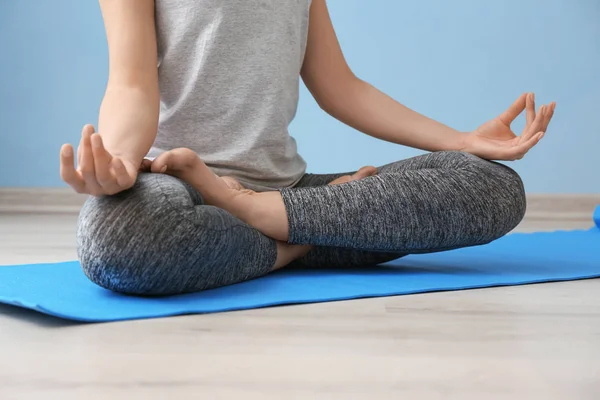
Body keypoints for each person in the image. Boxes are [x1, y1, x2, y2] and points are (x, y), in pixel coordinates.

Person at [60, 0, 555, 296]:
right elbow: (132, 84)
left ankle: (263, 216)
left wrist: (463, 141)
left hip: (282, 191)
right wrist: (122, 160)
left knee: (493, 186)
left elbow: (340, 86)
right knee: (118, 243)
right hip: (176, 189)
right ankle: (302, 236)